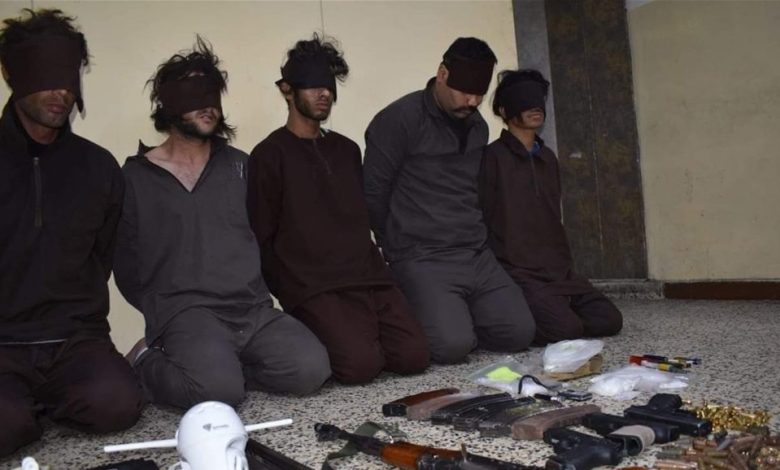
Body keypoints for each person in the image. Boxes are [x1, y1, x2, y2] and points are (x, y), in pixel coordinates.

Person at [113, 38, 330, 409]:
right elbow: (125, 263)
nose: (208, 107)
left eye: (212, 95)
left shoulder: (242, 166)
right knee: (219, 393)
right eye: (193, 96)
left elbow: (269, 236)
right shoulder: (135, 178)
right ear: (168, 104)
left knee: (311, 369)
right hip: (188, 314)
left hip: (252, 309)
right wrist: (163, 311)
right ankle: (147, 360)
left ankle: (222, 368)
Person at [0, 9, 142, 457]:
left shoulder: (98, 167)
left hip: (75, 340)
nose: (61, 92)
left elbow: (101, 255)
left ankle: (39, 404)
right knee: (5, 427)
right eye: (45, 77)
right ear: (11, 74)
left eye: (68, 78)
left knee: (118, 404)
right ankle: (24, 408)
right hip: (3, 342)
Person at [246, 35, 428, 384]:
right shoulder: (269, 155)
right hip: (314, 286)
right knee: (360, 366)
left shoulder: (347, 150)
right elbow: (261, 235)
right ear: (287, 90)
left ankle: (355, 334)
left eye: (328, 86)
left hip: (367, 276)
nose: (324, 94)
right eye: (312, 86)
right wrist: (289, 290)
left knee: (414, 355)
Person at [363, 37, 535, 364]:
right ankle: (432, 310)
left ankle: (457, 313)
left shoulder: (478, 127)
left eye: (479, 94)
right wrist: (393, 245)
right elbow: (373, 191)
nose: (472, 101)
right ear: (442, 74)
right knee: (451, 346)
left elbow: (474, 191)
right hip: (421, 255)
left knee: (518, 332)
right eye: (465, 91)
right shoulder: (399, 119)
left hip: (475, 253)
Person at [479, 69, 623, 345]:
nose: (535, 108)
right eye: (524, 100)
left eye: (538, 100)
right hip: (518, 272)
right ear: (504, 110)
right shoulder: (492, 158)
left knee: (609, 320)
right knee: (566, 329)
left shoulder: (547, 158)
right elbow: (481, 216)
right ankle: (522, 318)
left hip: (559, 271)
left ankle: (555, 309)